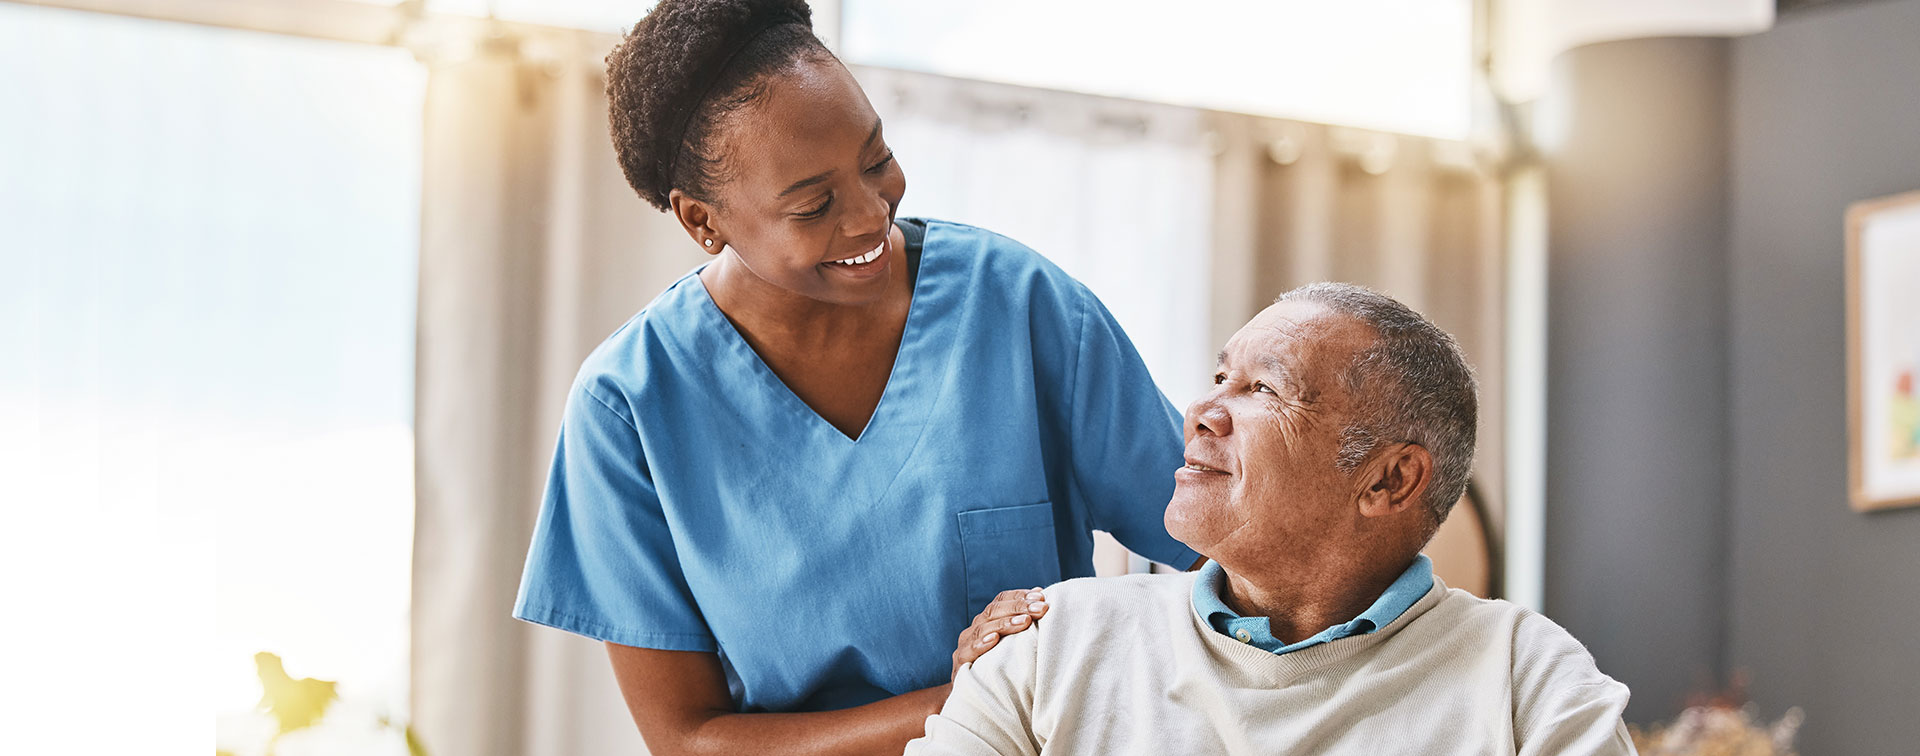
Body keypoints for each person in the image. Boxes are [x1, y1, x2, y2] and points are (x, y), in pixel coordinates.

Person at [510, 0, 1201, 752]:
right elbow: (688, 739)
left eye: (877, 160)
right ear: (702, 220)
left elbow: (1223, 550)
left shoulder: (1018, 305)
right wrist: (980, 699)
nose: (872, 215)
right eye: (814, 205)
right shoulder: (629, 408)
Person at [907, 283, 1636, 756]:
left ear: (1388, 479)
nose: (1201, 412)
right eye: (1221, 375)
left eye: (1264, 388)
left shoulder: (1528, 678)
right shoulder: (1050, 641)